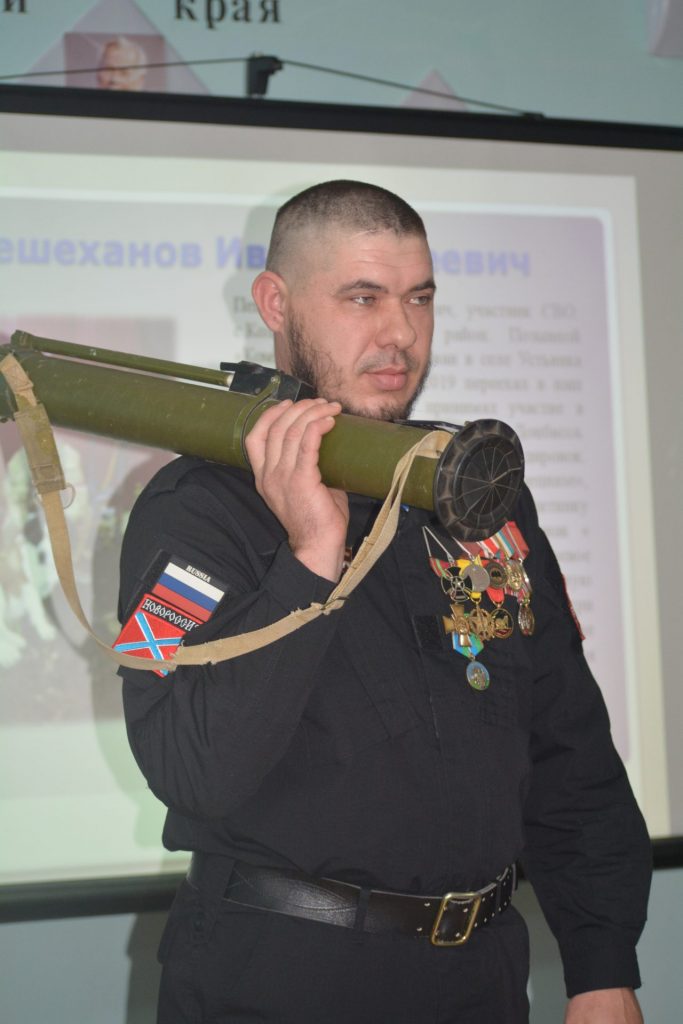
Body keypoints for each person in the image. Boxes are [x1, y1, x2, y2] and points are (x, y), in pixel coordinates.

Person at [118, 180, 651, 1023]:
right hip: (280, 982)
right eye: (362, 298)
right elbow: (191, 769)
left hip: (479, 981)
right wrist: (309, 558)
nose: (399, 332)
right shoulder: (194, 509)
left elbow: (566, 747)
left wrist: (601, 966)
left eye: (418, 298)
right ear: (275, 303)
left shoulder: (476, 500)